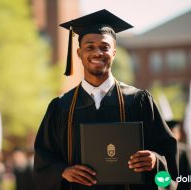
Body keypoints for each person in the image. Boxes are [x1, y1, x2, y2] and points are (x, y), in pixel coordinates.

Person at [34, 9, 178, 190]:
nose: (97, 53)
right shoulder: (61, 107)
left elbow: (169, 165)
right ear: (79, 53)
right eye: (89, 47)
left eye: (104, 47)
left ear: (114, 52)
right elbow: (42, 161)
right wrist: (63, 171)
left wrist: (155, 161)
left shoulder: (139, 101)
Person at [167, 120, 191, 190]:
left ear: (179, 134)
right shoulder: (161, 150)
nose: (171, 136)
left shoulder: (186, 151)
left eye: (173, 132)